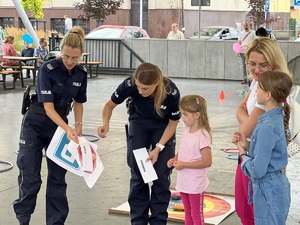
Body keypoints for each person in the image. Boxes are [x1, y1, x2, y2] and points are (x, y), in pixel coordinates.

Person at [13, 26, 88, 225]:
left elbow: (79, 102)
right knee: (30, 177)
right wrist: (69, 129)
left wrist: (78, 124)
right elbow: (48, 108)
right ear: (60, 51)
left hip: (59, 126)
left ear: (81, 55)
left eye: (75, 58)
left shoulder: (81, 73)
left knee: (57, 179)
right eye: (66, 57)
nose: (70, 62)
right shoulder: (47, 69)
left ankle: (56, 223)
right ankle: (23, 220)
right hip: (36, 124)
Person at [97, 62, 181, 225]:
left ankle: (158, 220)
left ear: (156, 83)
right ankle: (138, 220)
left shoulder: (171, 92)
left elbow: (173, 122)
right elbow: (109, 106)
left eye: (145, 89)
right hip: (139, 122)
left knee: (161, 174)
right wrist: (105, 123)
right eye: (138, 87)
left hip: (163, 126)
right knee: (138, 172)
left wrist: (159, 148)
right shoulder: (130, 84)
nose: (140, 91)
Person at [232, 37, 291, 225]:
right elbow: (241, 112)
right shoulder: (259, 84)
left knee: (253, 213)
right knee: (244, 209)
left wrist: (243, 146)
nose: (256, 70)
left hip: (256, 161)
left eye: (263, 65)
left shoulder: (267, 92)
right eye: (252, 64)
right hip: (251, 154)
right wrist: (248, 120)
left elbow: (245, 128)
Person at [167, 95, 212, 225]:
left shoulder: (203, 135)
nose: (182, 117)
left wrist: (184, 164)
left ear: (197, 115)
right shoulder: (186, 130)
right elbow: (184, 150)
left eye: (185, 114)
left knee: (196, 214)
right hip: (184, 180)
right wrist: (175, 159)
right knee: (187, 212)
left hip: (195, 183)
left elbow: (207, 162)